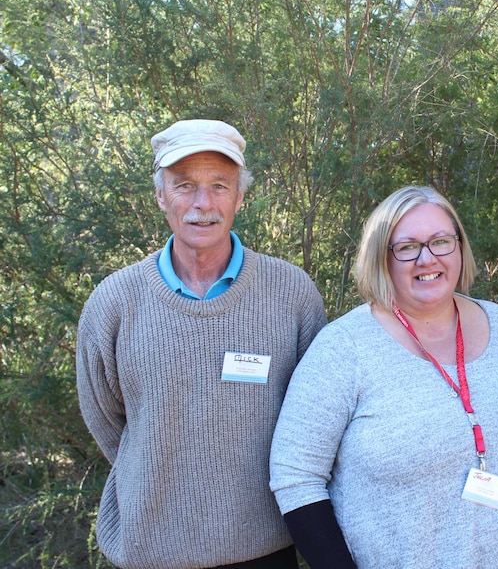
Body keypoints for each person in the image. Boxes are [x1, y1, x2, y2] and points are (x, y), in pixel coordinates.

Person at [76, 119, 327, 569]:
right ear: (160, 196)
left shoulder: (293, 293)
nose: (202, 204)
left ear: (240, 197)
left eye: (219, 185)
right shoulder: (113, 303)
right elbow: (107, 421)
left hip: (265, 549)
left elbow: (314, 423)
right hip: (151, 549)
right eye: (184, 185)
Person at [269, 185, 498, 568]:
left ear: (459, 247)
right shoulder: (344, 348)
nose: (427, 258)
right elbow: (295, 475)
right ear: (381, 258)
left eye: (441, 241)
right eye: (407, 247)